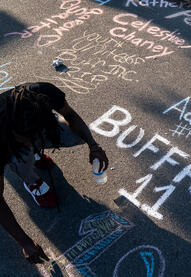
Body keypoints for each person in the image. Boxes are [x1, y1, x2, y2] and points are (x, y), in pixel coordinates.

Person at [0, 82, 109, 264]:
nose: (32, 140)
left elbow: (70, 115)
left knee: (75, 135)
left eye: (35, 136)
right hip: (6, 143)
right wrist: (25, 242)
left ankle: (33, 151)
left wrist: (94, 146)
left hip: (24, 131)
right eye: (28, 138)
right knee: (21, 154)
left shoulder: (44, 93)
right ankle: (30, 179)